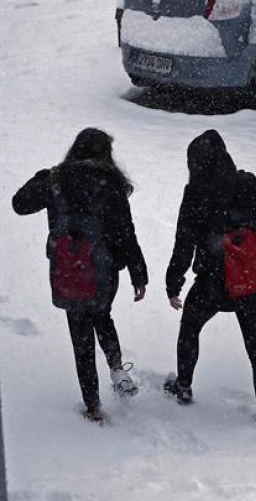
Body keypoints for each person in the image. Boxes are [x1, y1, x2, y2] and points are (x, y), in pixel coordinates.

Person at [12, 128, 148, 423]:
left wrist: (42, 177)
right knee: (102, 315)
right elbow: (126, 232)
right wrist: (138, 273)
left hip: (68, 270)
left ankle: (93, 406)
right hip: (105, 270)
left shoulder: (55, 179)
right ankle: (116, 368)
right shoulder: (110, 183)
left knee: (80, 336)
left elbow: (19, 204)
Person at [164, 130, 256, 429]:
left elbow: (183, 242)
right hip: (254, 277)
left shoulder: (195, 192)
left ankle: (184, 386)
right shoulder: (245, 181)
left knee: (190, 327)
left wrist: (174, 282)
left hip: (214, 279)